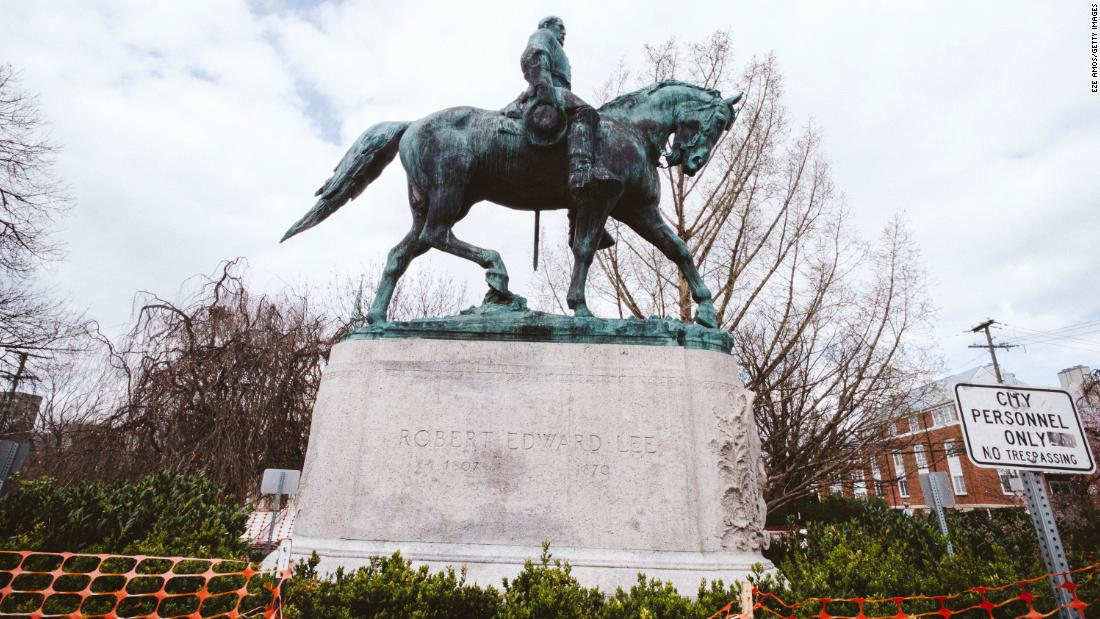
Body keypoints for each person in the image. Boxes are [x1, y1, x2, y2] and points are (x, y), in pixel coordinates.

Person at [504, 16, 616, 250]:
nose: (564, 33)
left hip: (552, 91)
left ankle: (576, 218)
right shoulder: (543, 36)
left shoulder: (556, 46)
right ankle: (580, 173)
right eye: (561, 28)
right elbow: (533, 55)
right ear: (547, 27)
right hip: (549, 92)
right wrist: (544, 87)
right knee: (586, 112)